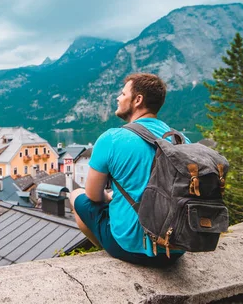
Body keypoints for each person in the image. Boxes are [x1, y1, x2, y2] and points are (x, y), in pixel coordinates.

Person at [70, 73, 187, 267]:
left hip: (131, 248)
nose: (118, 97)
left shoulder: (112, 138)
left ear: (138, 100)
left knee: (76, 195)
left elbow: (93, 196)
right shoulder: (180, 139)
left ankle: (109, 250)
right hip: (175, 247)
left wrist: (109, 197)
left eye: (123, 94)